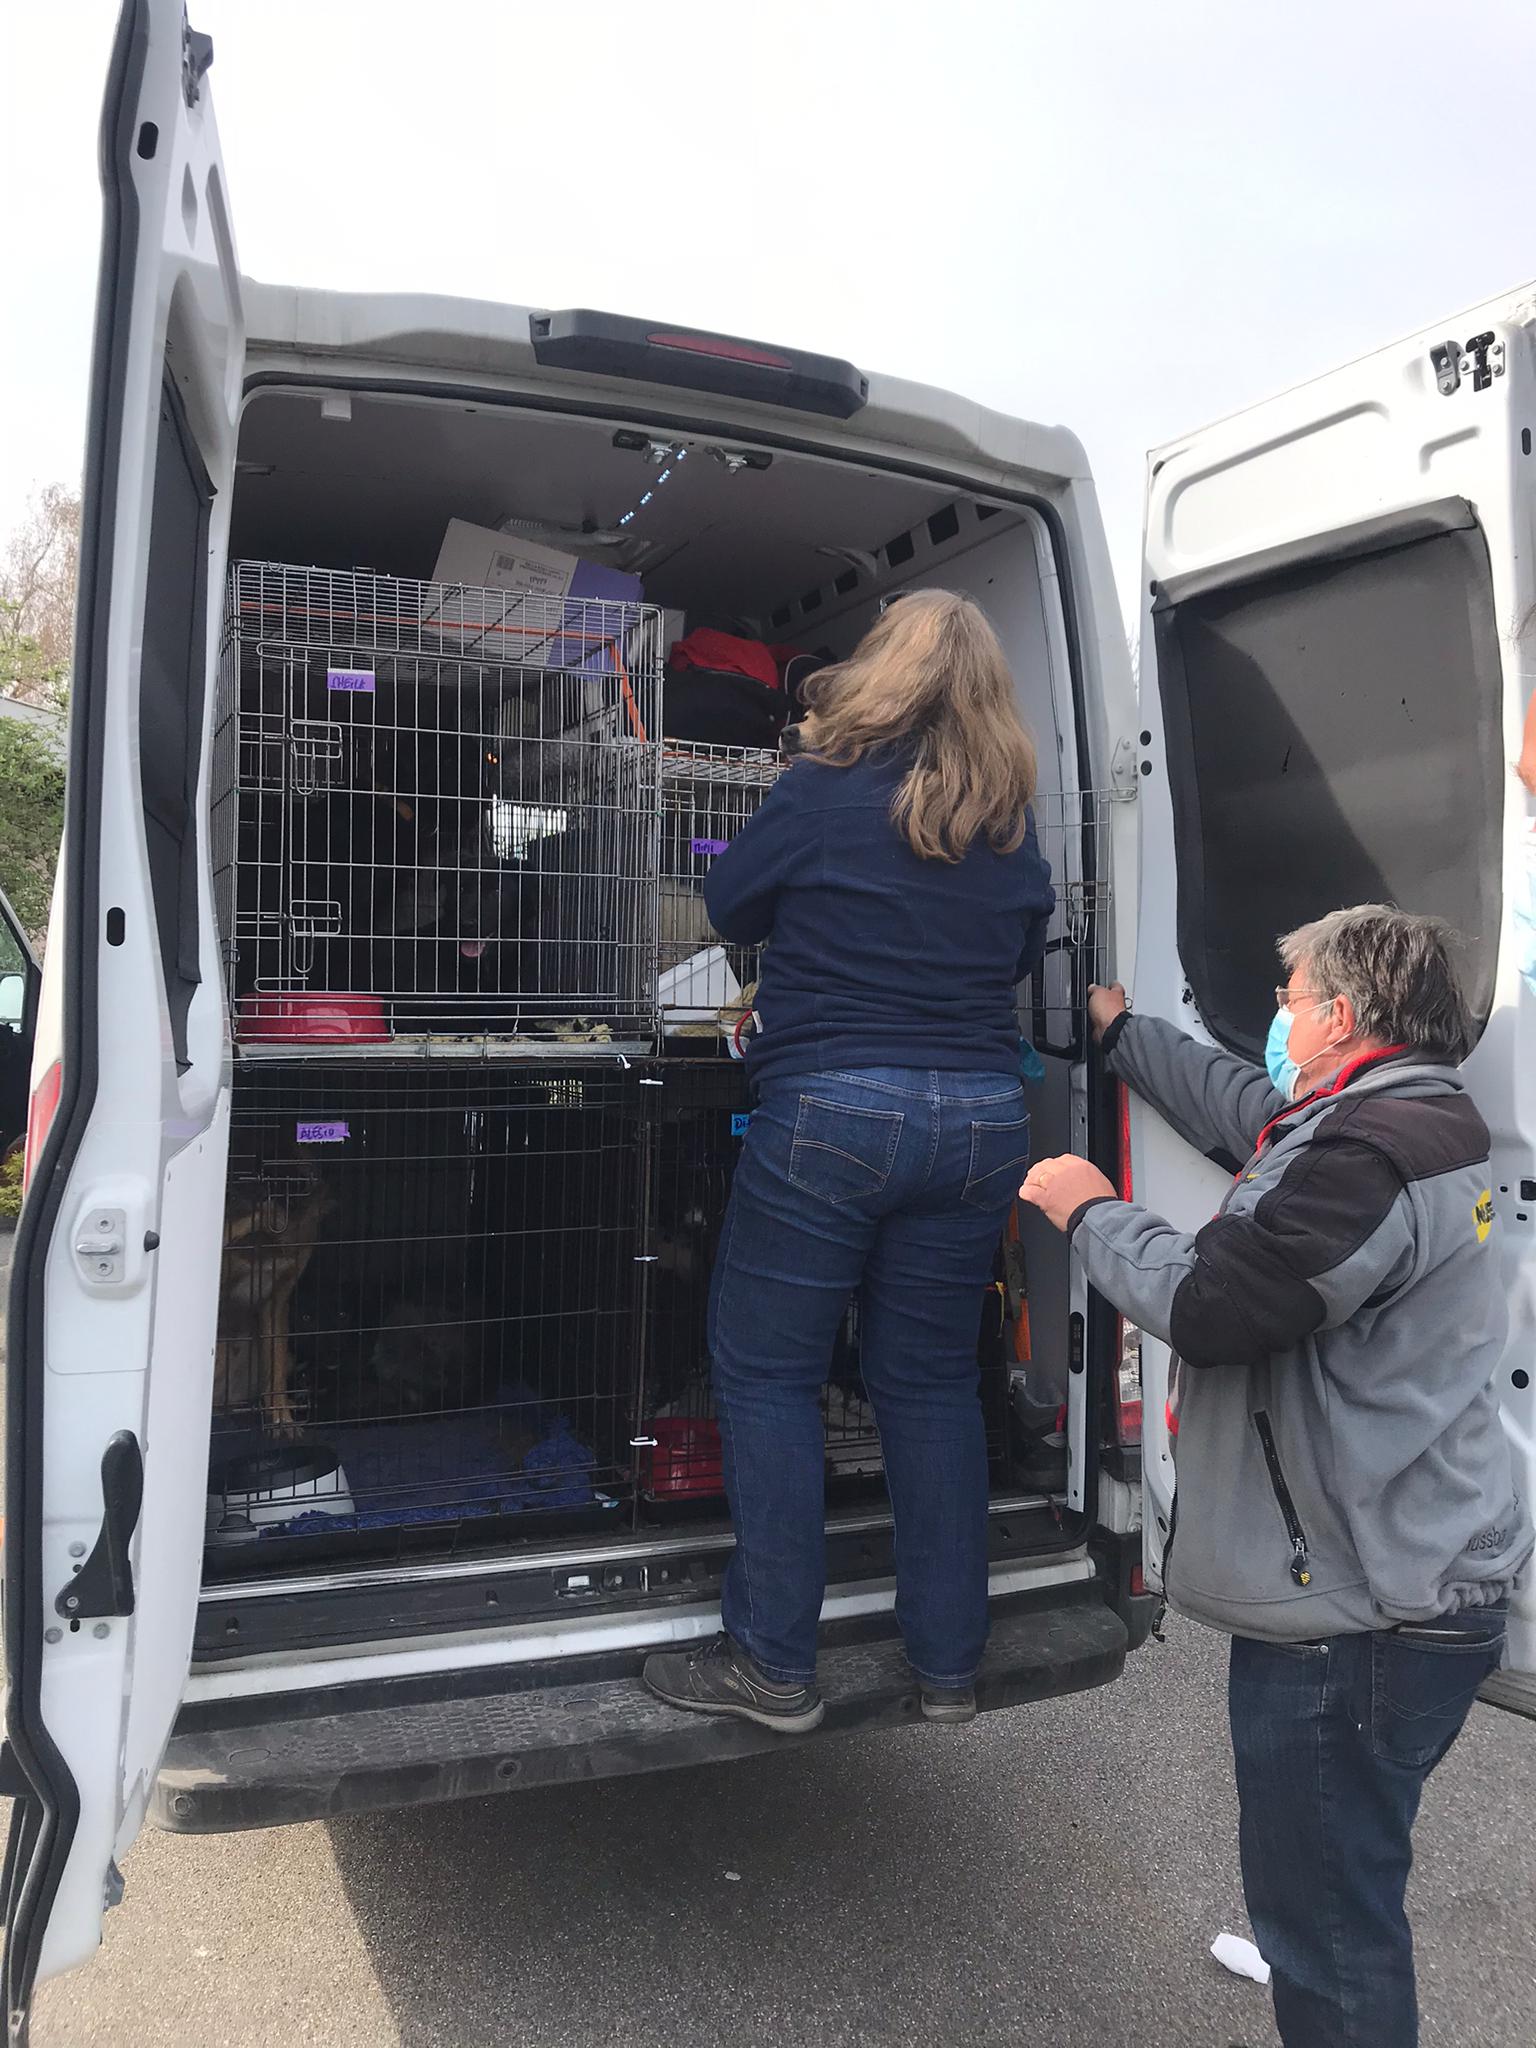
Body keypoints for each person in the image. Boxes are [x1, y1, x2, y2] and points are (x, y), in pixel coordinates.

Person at [1019, 905, 1532, 2048]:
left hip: (1357, 1618)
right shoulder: (1403, 1113)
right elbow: (1244, 1106)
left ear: (1341, 1016)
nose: (1277, 1018)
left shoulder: (1369, 1158)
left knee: (1330, 1939)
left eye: (1290, 1000)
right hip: (1412, 1578)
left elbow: (1217, 1304)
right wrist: (1123, 1033)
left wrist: (1089, 1208)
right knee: (1340, 1890)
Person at [643, 590, 1055, 1732]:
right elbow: (1019, 955)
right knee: (928, 1382)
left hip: (835, 1107)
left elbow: (729, 902)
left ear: (882, 672)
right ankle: (948, 1664)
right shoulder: (1012, 827)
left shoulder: (823, 789)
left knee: (768, 1372)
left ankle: (773, 1663)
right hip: (981, 1121)